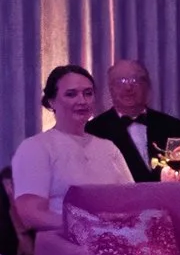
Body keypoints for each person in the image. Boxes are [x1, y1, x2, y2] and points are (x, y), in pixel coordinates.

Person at [11, 65, 133, 240]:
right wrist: (84, 226)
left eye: (88, 93)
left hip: (116, 234)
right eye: (71, 94)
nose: (82, 101)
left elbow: (131, 199)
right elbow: (30, 213)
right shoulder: (36, 147)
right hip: (66, 241)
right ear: (51, 101)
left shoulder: (108, 147)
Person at [91, 59, 180, 181]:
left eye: (135, 80)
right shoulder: (93, 131)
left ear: (147, 86)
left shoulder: (177, 128)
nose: (128, 87)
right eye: (121, 81)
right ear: (111, 89)